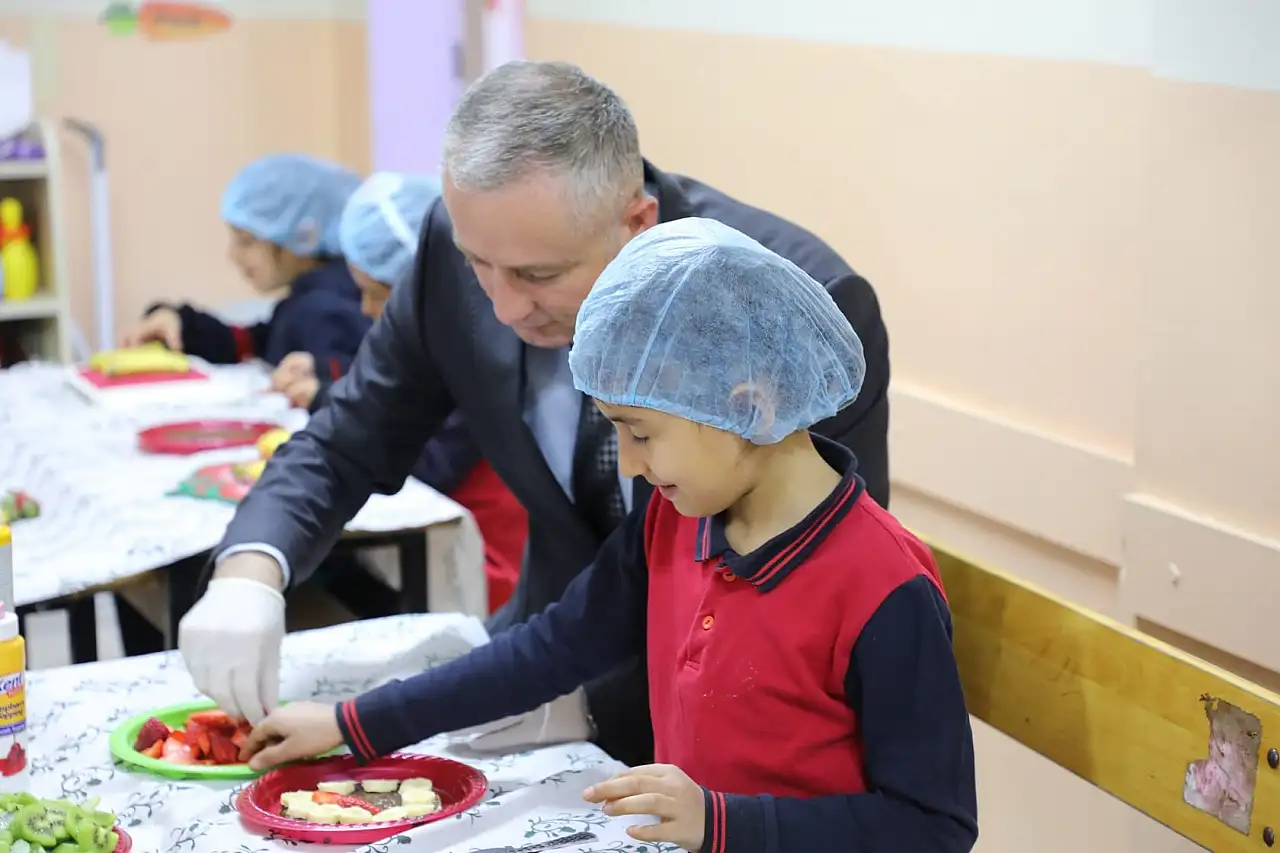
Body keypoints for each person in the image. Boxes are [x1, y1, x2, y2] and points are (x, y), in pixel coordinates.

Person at [177, 61, 891, 767]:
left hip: (727, 741)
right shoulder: (464, 244)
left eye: (539, 275)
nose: (503, 305)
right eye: (479, 265)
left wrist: (589, 709)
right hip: (528, 664)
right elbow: (348, 439)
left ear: (636, 223)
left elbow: (788, 593)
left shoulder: (797, 314)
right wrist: (250, 569)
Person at [239, 219, 977, 853]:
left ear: (747, 406)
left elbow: (933, 824)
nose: (626, 463)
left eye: (640, 432)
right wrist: (355, 721)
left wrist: (723, 823)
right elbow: (553, 645)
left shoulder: (881, 588)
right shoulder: (675, 518)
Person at [272, 172, 528, 613]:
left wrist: (327, 402)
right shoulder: (446, 340)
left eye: (375, 293)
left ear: (427, 284)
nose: (366, 310)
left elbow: (423, 460)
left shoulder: (478, 359)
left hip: (488, 564)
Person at [120, 153, 371, 373]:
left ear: (303, 235)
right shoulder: (308, 300)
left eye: (247, 241)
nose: (234, 256)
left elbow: (349, 390)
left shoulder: (325, 311)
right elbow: (249, 342)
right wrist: (181, 323)